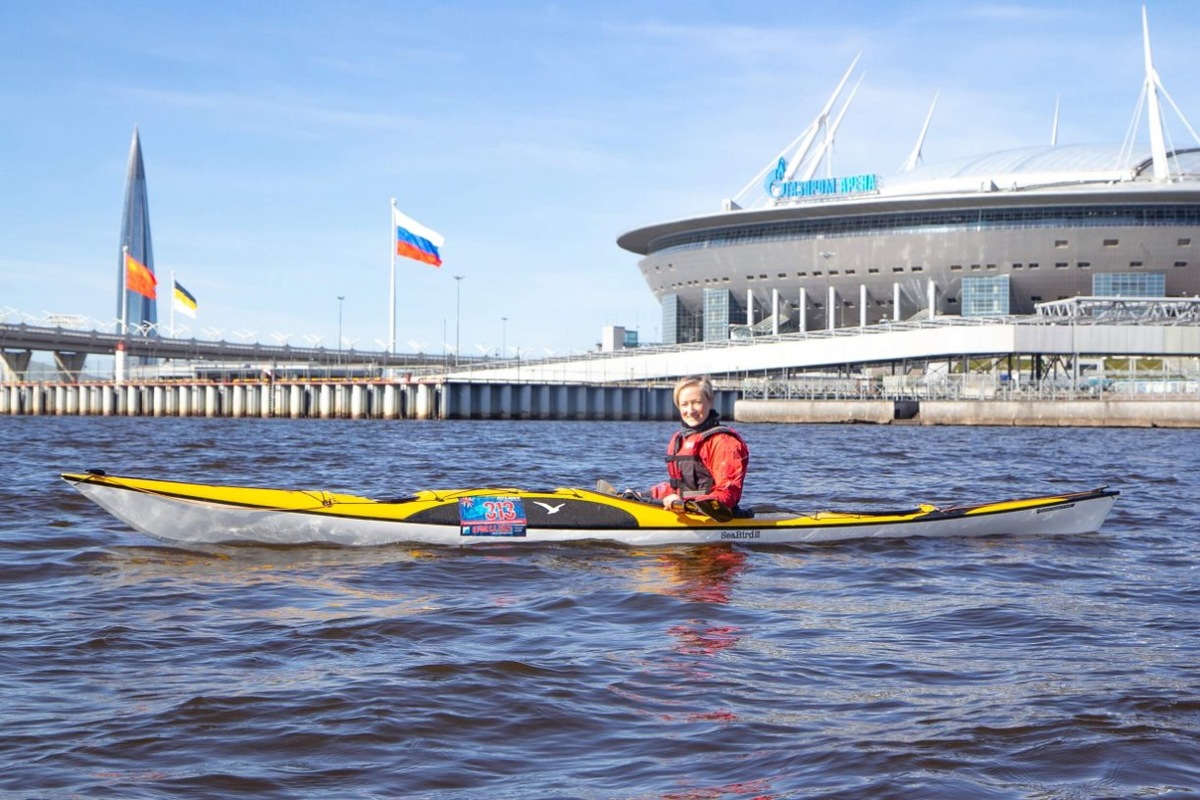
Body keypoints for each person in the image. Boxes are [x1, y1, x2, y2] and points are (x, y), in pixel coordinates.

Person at [649, 375, 750, 515]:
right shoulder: (679, 440)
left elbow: (728, 493)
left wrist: (686, 504)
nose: (690, 411)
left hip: (714, 514)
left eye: (697, 403)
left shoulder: (724, 442)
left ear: (710, 401)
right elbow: (678, 489)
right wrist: (644, 495)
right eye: (684, 404)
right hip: (685, 509)